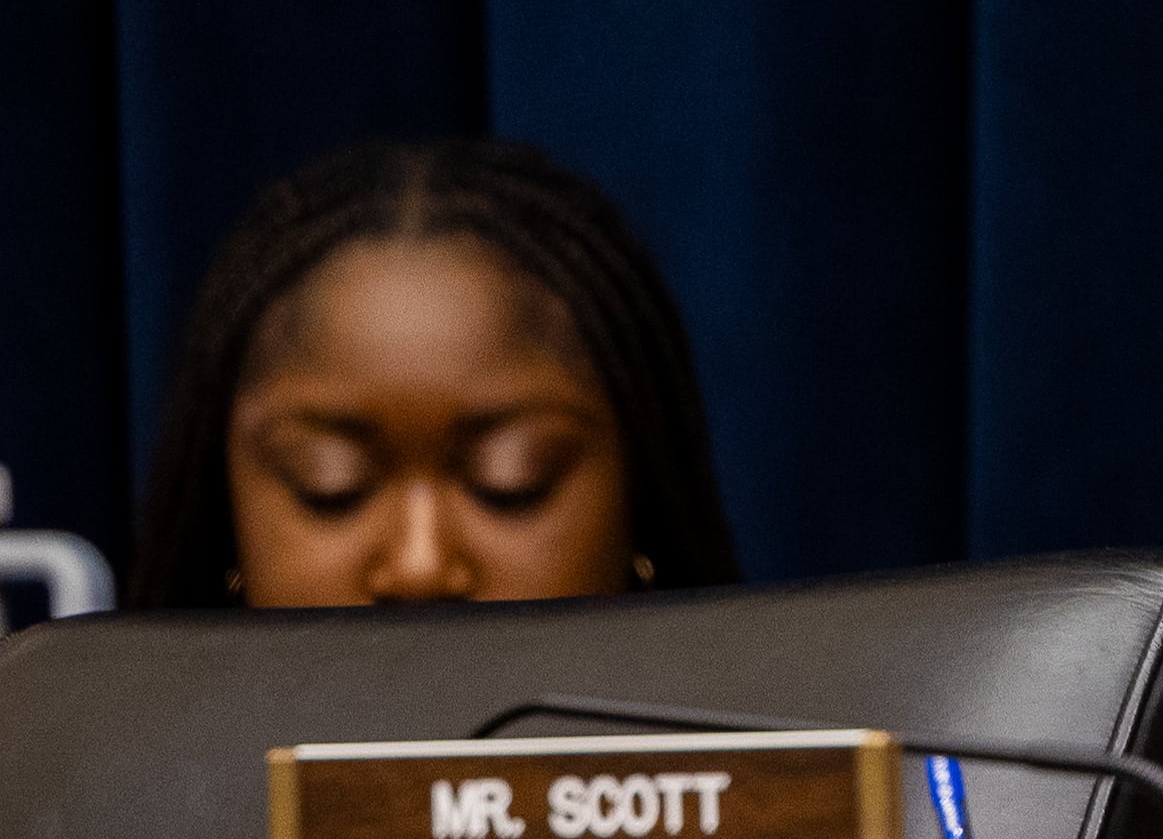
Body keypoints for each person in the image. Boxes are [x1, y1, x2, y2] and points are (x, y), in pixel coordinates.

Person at [131, 138, 742, 610]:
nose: (419, 567)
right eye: (331, 484)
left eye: (512, 478)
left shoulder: (797, 773)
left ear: (642, 498)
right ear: (224, 518)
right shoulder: (102, 774)